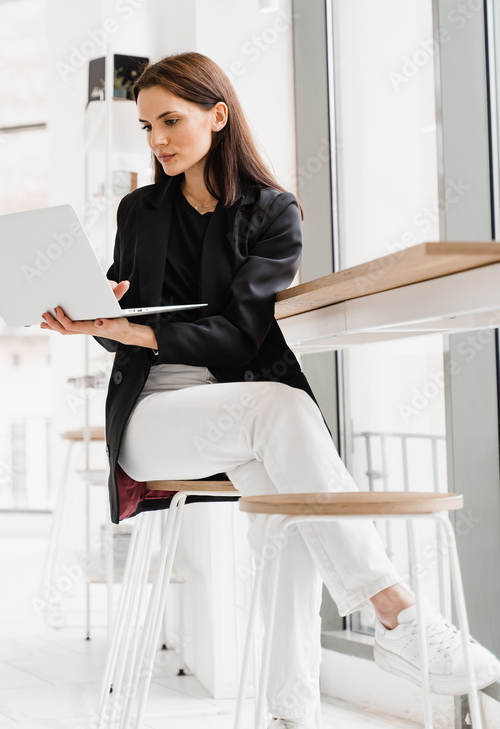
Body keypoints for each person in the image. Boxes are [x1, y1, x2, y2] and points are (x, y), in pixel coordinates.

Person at [41, 52, 500, 727]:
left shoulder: (273, 213)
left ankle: (289, 715)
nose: (157, 139)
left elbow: (240, 337)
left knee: (286, 521)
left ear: (216, 116)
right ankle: (393, 609)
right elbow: (124, 335)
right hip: (151, 418)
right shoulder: (138, 210)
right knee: (280, 410)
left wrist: (135, 332)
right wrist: (94, 320)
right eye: (145, 127)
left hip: (236, 410)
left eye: (170, 120)